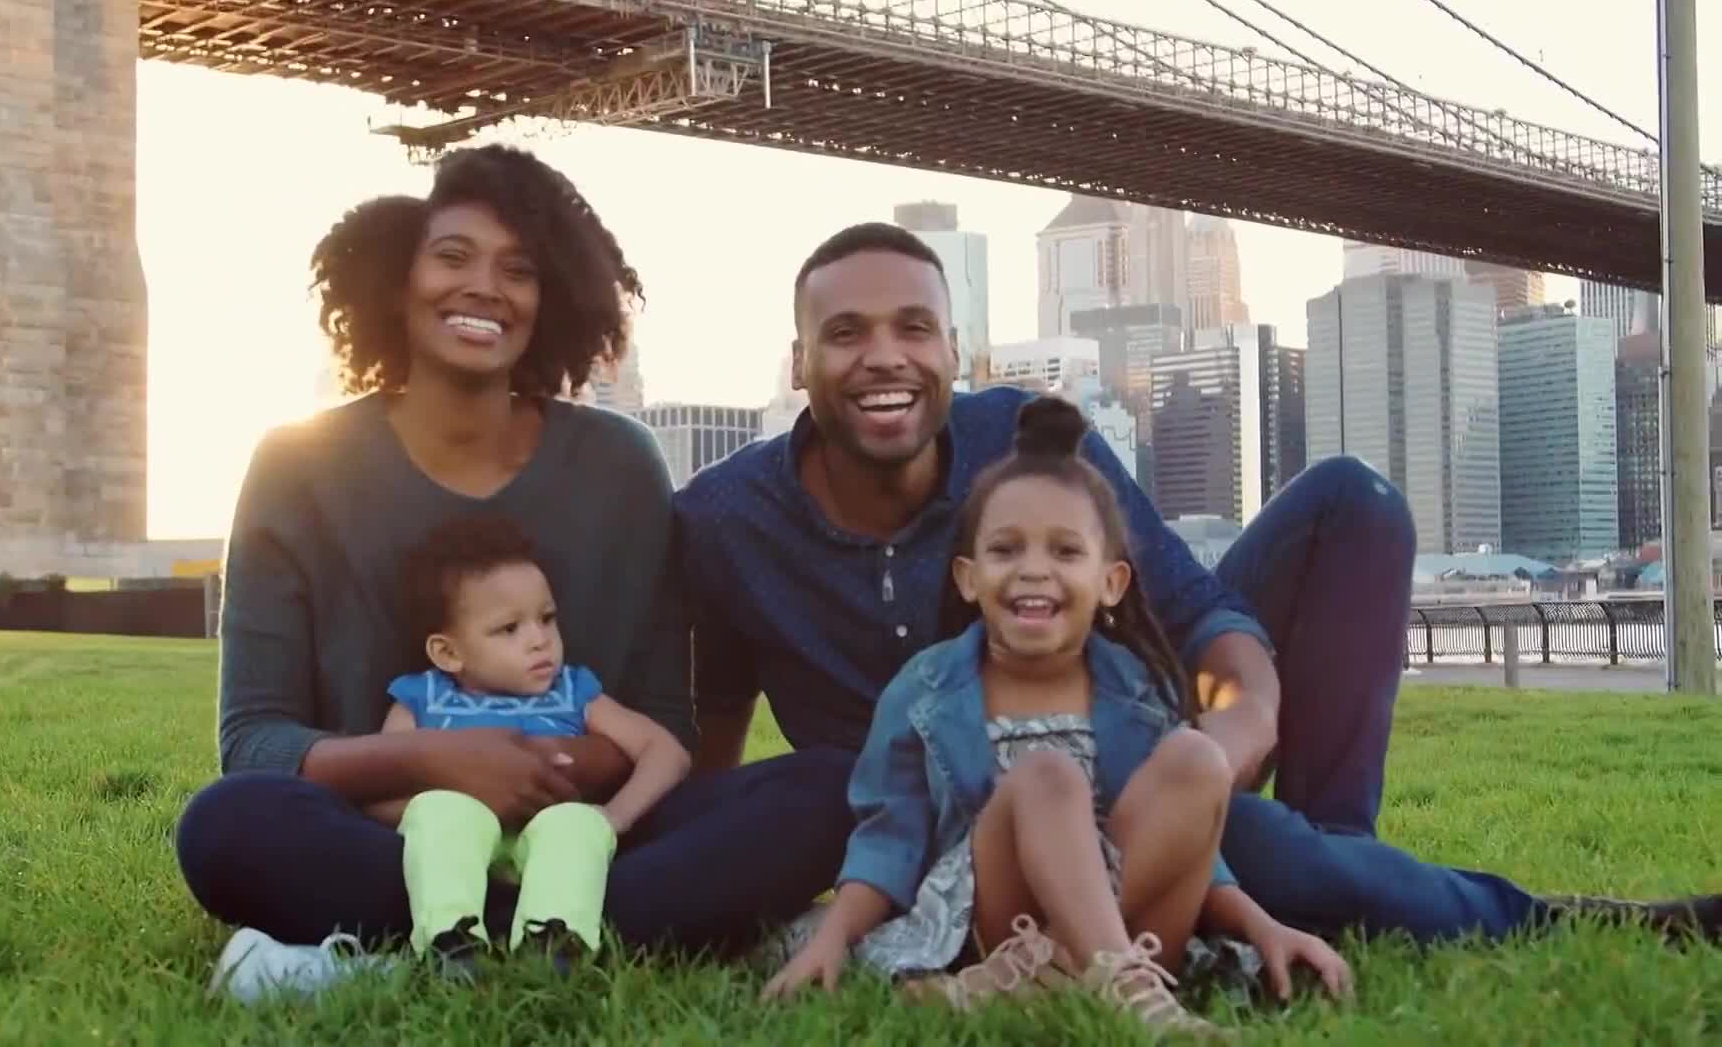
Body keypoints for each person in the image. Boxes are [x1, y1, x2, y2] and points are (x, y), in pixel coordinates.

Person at [675, 220, 1719, 955]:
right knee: (1281, 863)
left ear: (955, 350)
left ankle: (1340, 850)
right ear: (799, 362)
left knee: (1353, 500)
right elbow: (718, 746)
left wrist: (1232, 729)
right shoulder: (726, 520)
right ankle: (1327, 875)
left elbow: (1193, 608)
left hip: (1132, 784)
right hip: (958, 839)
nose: (882, 357)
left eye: (913, 327)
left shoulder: (1034, 441)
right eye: (845, 334)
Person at [175, 147, 856, 1002]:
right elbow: (256, 745)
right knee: (223, 826)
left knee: (830, 788)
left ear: (554, 299)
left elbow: (664, 724)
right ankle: (586, 932)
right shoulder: (295, 464)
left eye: (519, 270)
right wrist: (446, 760)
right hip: (387, 833)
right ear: (395, 279)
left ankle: (413, 948)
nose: (485, 287)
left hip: (587, 833)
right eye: (453, 257)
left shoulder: (619, 463)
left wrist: (536, 769)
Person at [764, 398, 1348, 1039]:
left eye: (1066, 552)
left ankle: (1038, 983)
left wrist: (1262, 924)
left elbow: (1188, 848)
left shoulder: (1135, 688)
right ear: (968, 577)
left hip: (1143, 926)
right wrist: (834, 939)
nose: (1033, 570)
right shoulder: (925, 691)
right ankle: (1129, 995)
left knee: (1197, 759)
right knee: (1049, 777)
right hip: (997, 918)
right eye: (1006, 549)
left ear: (1111, 583)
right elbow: (888, 840)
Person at [371, 516, 690, 960]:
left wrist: (614, 816)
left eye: (547, 618)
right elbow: (383, 782)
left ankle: (555, 942)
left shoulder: (573, 693)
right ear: (448, 652)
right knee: (441, 811)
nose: (540, 641)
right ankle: (449, 942)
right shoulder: (421, 699)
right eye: (509, 629)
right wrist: (439, 805)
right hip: (454, 846)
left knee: (576, 825)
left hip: (551, 841)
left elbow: (665, 751)